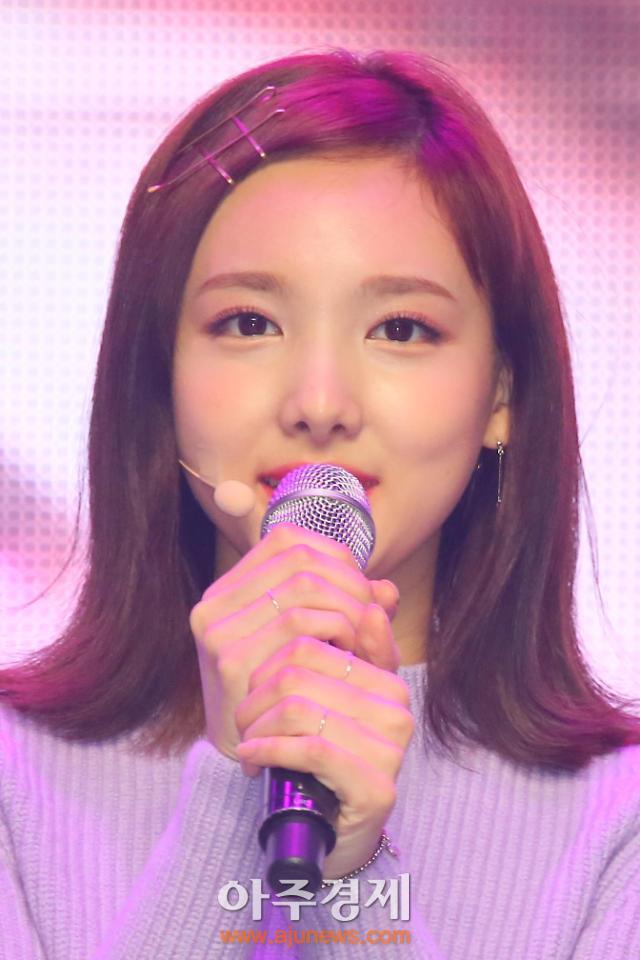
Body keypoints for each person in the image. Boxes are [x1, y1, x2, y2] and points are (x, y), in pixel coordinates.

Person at [1, 48, 639, 960]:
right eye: (249, 323)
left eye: (401, 329)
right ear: (160, 376)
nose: (321, 402)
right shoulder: (16, 781)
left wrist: (351, 883)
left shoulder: (618, 825)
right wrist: (233, 787)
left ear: (501, 393)